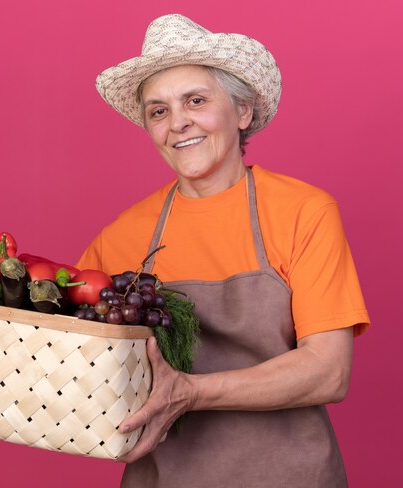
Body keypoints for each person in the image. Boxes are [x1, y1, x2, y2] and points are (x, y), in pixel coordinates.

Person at [75, 13, 370, 487]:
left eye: (196, 100)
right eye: (158, 111)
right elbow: (66, 361)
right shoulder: (120, 238)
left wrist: (189, 392)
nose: (178, 123)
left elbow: (328, 370)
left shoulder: (303, 212)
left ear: (243, 113)